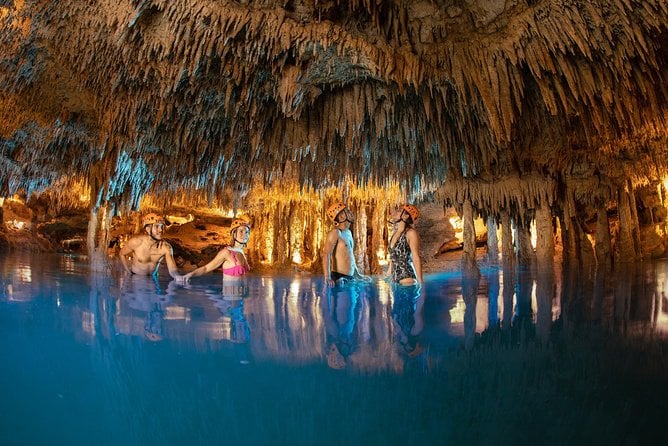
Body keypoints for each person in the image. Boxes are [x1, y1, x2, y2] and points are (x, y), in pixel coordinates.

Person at [119, 213, 185, 281]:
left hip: (153, 280)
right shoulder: (136, 242)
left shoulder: (165, 247)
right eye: (157, 226)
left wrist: (177, 277)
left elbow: (172, 270)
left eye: (162, 226)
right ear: (148, 229)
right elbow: (121, 254)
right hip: (136, 279)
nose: (161, 230)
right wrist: (128, 272)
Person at [183, 217, 251, 281]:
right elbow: (206, 268)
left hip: (244, 293)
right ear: (234, 233)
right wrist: (190, 275)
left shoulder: (241, 251)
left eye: (247, 232)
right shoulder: (226, 252)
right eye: (241, 231)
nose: (245, 234)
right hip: (230, 293)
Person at [322, 202, 369, 286]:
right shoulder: (335, 233)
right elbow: (326, 254)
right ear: (341, 216)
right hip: (339, 277)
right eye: (347, 211)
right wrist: (327, 277)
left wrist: (357, 274)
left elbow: (350, 255)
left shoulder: (348, 232)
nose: (350, 213)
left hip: (349, 277)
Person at [387, 204, 423, 285]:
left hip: (406, 277)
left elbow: (416, 257)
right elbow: (393, 257)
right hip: (394, 278)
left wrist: (421, 284)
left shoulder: (411, 233)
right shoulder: (395, 233)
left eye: (399, 211)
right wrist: (388, 274)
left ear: (406, 216)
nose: (395, 212)